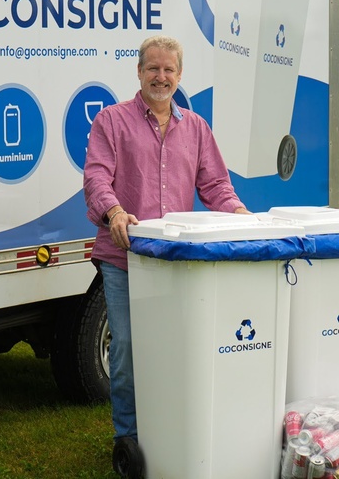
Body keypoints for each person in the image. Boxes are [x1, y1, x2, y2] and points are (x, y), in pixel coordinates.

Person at [83, 34, 250, 478]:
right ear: (138, 72)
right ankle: (130, 439)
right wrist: (114, 211)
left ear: (179, 75)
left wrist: (238, 213)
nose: (161, 77)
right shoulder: (111, 122)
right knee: (129, 350)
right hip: (125, 259)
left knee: (176, 350)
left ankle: (172, 429)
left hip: (176, 262)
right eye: (152, 68)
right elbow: (97, 178)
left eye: (168, 70)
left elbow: (215, 184)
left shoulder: (195, 127)